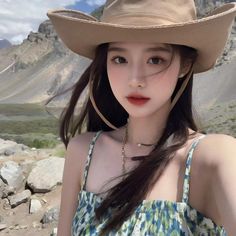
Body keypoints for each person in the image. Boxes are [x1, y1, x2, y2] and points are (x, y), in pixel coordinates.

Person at [47, 0, 236, 235]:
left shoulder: (213, 157)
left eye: (155, 59)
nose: (135, 79)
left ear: (185, 64)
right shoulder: (82, 151)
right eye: (120, 59)